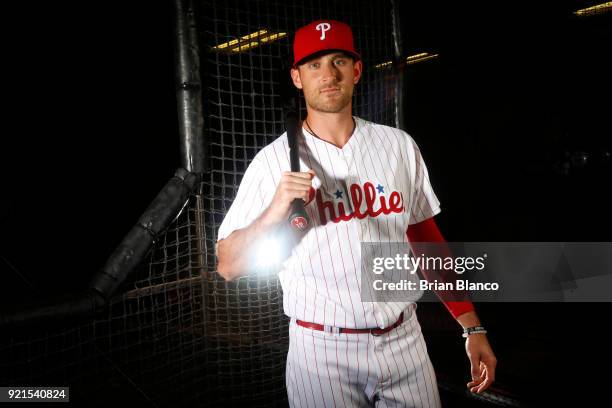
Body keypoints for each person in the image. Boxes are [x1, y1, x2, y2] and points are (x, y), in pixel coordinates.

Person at [216, 19, 496, 407]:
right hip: (322, 351)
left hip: (404, 340)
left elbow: (425, 239)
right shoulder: (272, 162)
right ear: (297, 77)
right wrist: (274, 211)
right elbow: (229, 265)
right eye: (314, 65)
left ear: (357, 70)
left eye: (339, 61)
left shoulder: (397, 145)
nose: (328, 74)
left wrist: (471, 325)